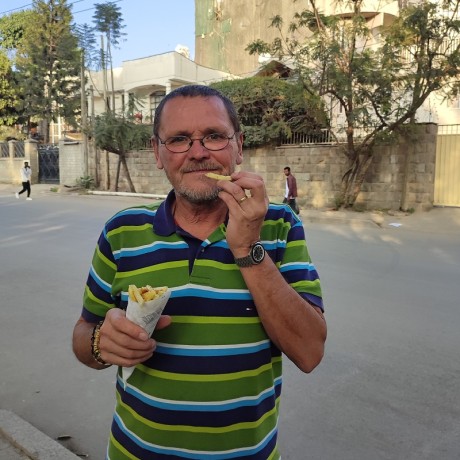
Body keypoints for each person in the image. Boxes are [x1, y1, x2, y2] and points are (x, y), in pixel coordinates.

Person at [72, 85, 327, 459]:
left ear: (238, 146)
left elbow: (309, 352)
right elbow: (84, 334)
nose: (198, 152)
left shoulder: (279, 225)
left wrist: (247, 249)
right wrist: (101, 342)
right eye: (178, 139)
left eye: (214, 136)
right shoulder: (121, 231)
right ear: (157, 153)